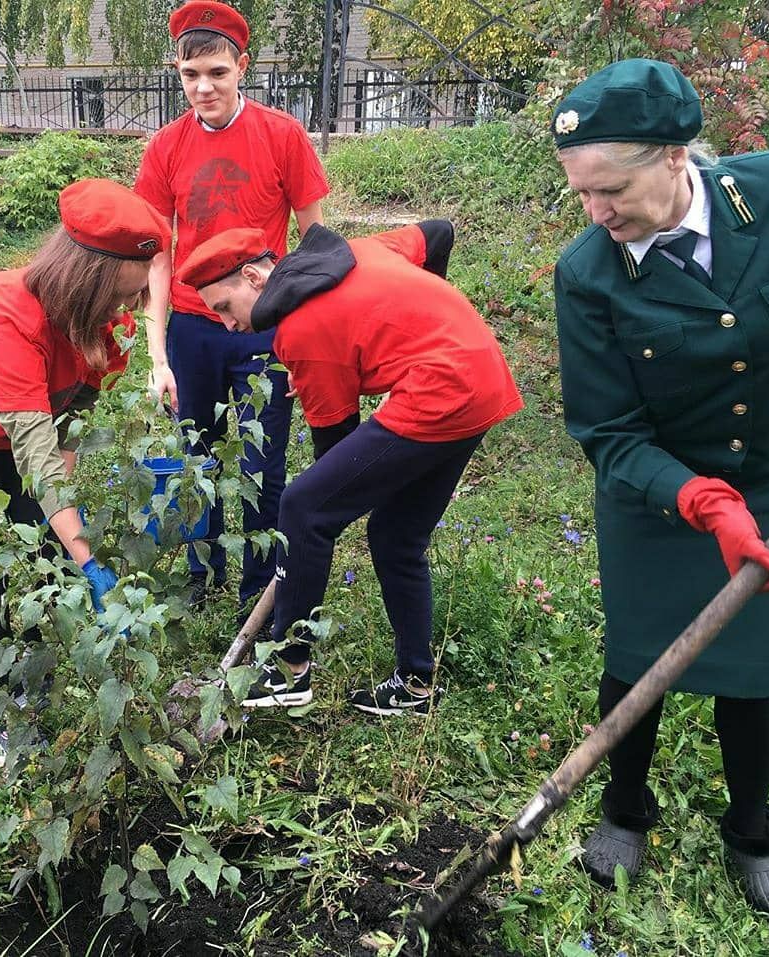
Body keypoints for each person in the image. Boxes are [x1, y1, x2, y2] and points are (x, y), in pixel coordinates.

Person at [551, 58, 769, 928]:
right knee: (637, 653)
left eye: (611, 189)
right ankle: (626, 807)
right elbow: (608, 432)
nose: (596, 213)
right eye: (581, 194)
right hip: (657, 484)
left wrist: (742, 501)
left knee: (749, 657)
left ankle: (752, 831)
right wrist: (699, 500)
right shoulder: (589, 273)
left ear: (674, 158)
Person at [175, 221, 523, 715]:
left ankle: (289, 670)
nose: (228, 326)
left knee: (302, 506)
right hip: (481, 375)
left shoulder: (303, 330)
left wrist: (327, 369)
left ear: (254, 278)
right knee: (395, 536)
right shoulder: (360, 249)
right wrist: (425, 325)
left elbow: (332, 460)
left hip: (440, 393)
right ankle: (415, 684)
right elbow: (439, 233)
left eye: (225, 309)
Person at [0, 179, 171, 747]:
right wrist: (88, 558)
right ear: (86, 281)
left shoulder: (103, 329)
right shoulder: (7, 316)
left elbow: (64, 425)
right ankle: (0, 703)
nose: (128, 309)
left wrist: (61, 527)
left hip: (12, 434)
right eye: (122, 295)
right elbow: (36, 455)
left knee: (43, 539)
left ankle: (36, 672)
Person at [134, 0, 329, 615]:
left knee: (263, 460)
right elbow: (156, 258)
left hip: (261, 327)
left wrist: (301, 337)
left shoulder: (282, 136)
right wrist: (157, 355)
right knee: (196, 453)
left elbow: (315, 244)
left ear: (241, 66)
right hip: (193, 327)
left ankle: (258, 584)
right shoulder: (166, 148)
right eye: (190, 75)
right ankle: (201, 570)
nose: (203, 87)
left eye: (216, 71)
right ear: (178, 73)